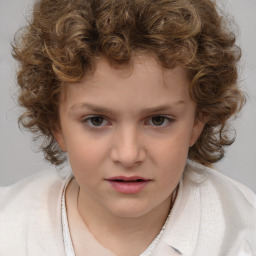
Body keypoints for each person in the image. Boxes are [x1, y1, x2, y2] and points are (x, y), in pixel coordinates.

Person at [0, 0, 255, 255]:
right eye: (96, 121)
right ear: (56, 124)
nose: (128, 155)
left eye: (158, 120)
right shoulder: (9, 229)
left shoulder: (243, 236)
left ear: (198, 121)